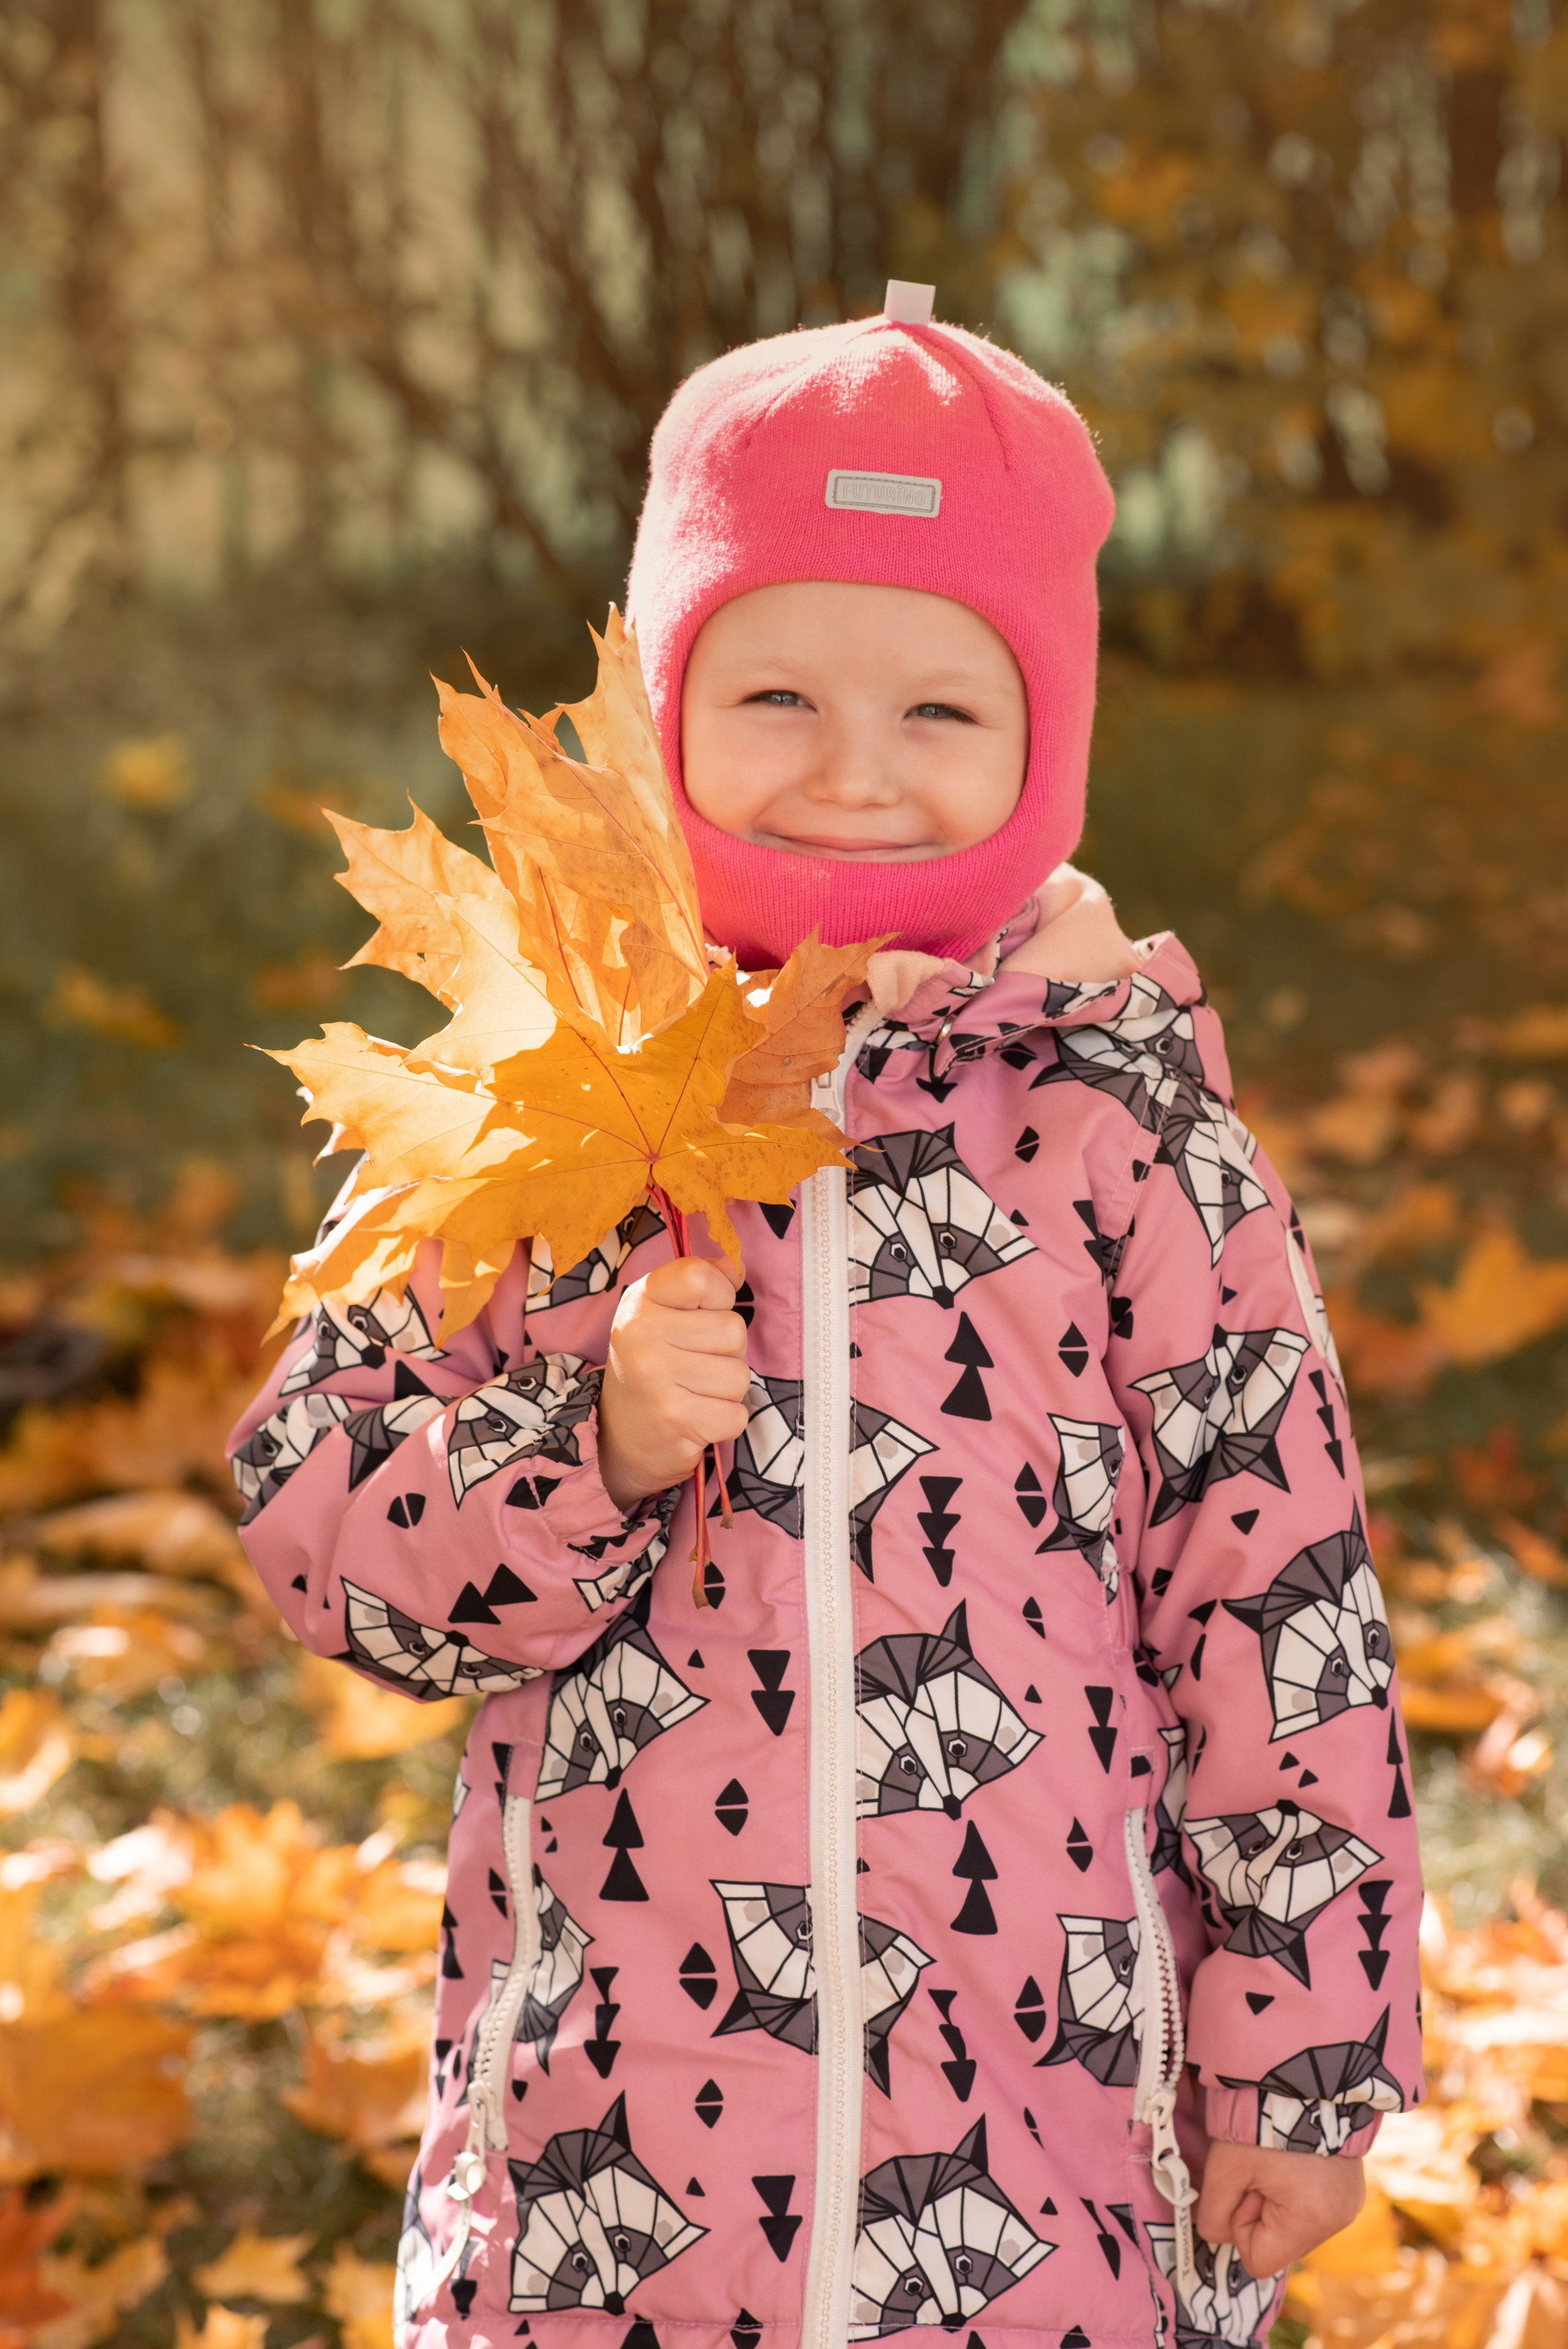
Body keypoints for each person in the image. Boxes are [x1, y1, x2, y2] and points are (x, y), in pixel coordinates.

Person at [230, 285, 1423, 2349]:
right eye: (774, 696)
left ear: (1047, 741)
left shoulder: (1131, 1133)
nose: (853, 776)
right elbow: (317, 1525)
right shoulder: (555, 1106)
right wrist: (576, 1449)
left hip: (1043, 2169)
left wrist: (1305, 2050)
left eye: (943, 714)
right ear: (663, 698)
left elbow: (1279, 1595)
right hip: (605, 2171)